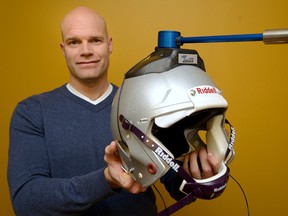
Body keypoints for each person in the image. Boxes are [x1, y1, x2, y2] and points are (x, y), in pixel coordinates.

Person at [7, 6, 221, 216]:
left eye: (95, 40)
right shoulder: (32, 112)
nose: (86, 51)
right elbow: (27, 202)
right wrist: (107, 179)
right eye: (74, 42)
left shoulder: (146, 105)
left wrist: (202, 174)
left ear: (109, 45)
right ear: (63, 48)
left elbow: (174, 182)